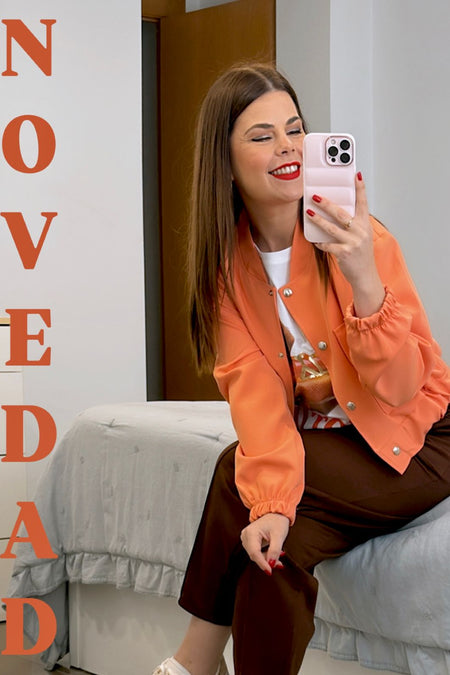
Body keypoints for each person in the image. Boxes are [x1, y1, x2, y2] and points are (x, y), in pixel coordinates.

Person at [152, 63, 450, 675]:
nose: (287, 147)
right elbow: (257, 399)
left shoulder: (359, 240)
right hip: (337, 453)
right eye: (262, 137)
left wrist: (365, 282)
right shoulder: (227, 274)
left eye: (294, 130)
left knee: (231, 469)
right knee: (271, 555)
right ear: (225, 162)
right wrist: (273, 506)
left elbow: (401, 389)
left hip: (421, 440)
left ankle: (191, 663)